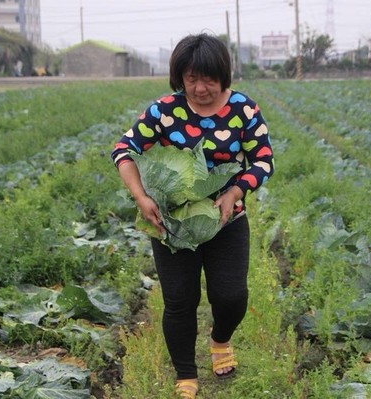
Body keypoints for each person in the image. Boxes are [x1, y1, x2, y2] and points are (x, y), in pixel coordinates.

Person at [111, 33, 274, 398]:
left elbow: (264, 158)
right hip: (172, 224)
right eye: (191, 79)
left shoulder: (243, 110)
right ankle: (186, 374)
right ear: (179, 77)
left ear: (223, 75)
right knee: (180, 301)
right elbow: (124, 150)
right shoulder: (163, 111)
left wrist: (235, 190)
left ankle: (220, 339)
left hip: (225, 219)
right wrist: (141, 197)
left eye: (209, 79)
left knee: (231, 296)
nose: (200, 88)